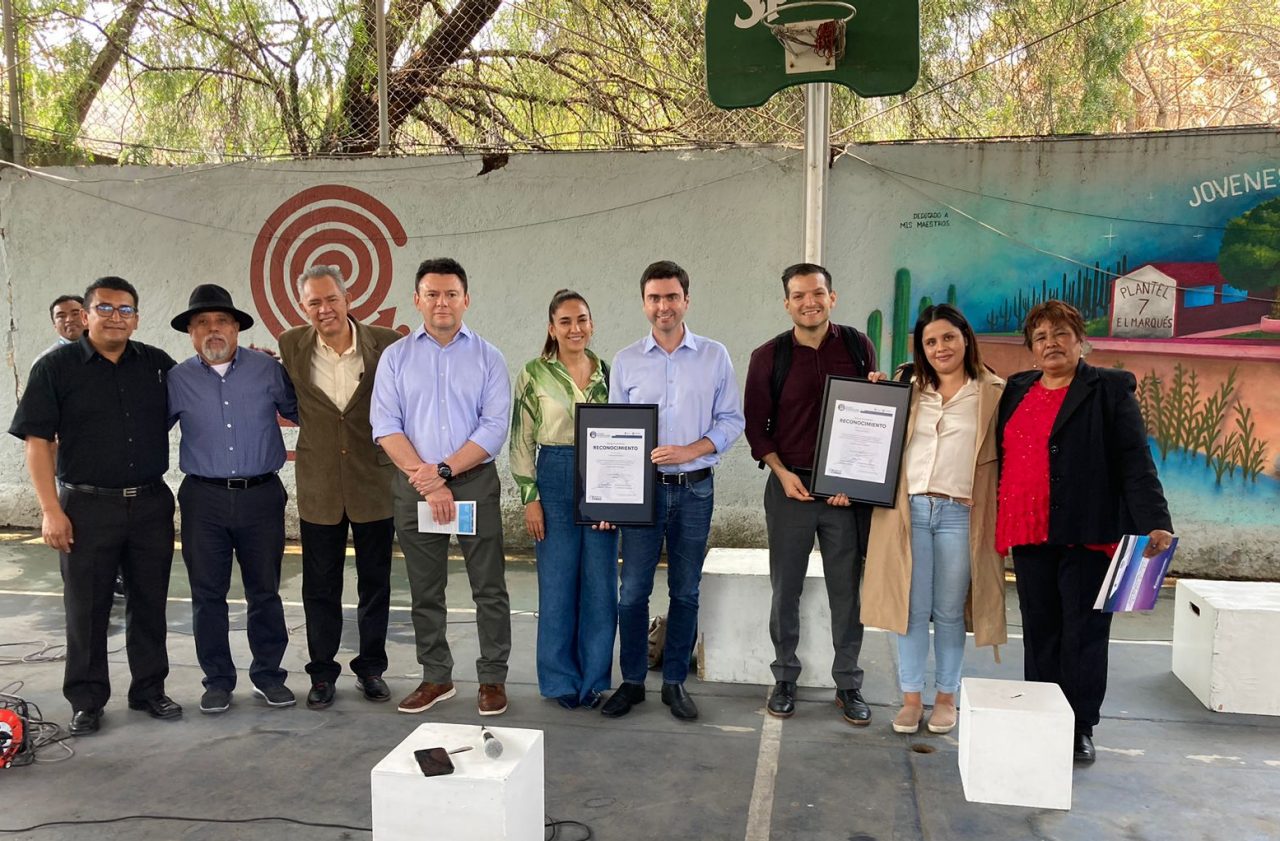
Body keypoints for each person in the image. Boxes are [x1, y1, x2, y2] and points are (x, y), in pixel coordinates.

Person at [995, 299, 1173, 764]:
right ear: (1031, 348)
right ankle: (1042, 715)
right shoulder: (1017, 388)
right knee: (1040, 630)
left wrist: (1155, 521)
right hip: (1030, 531)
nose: (1051, 343)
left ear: (1080, 340)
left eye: (1061, 334)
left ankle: (1078, 726)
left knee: (1083, 632)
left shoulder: (1108, 388)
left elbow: (1135, 460)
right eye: (1040, 337)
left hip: (1088, 531)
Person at [9, 276, 181, 734]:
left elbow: (203, 389)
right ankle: (87, 700)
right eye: (105, 308)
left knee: (149, 603)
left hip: (150, 504)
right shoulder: (55, 368)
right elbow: (37, 442)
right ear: (86, 316)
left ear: (136, 319)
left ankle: (149, 690)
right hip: (85, 506)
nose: (115, 317)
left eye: (125, 310)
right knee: (86, 608)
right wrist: (50, 510)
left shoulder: (157, 365)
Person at [600, 260, 744, 721]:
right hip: (642, 494)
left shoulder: (715, 356)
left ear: (686, 300)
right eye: (654, 298)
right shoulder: (626, 361)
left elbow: (731, 420)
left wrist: (691, 450)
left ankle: (676, 681)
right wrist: (609, 492)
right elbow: (614, 433)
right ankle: (633, 681)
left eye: (671, 297)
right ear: (644, 303)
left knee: (685, 591)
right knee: (632, 592)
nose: (663, 306)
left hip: (695, 490)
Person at [371, 257, 514, 717]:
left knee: (488, 587)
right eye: (432, 294)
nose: (442, 302)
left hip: (474, 484)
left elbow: (494, 427)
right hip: (415, 487)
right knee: (425, 589)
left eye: (451, 294)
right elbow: (385, 425)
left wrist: (445, 473)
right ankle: (436, 676)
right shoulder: (396, 357)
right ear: (417, 300)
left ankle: (492, 677)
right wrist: (429, 481)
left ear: (466, 299)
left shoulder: (489, 357)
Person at [862, 304, 1006, 735]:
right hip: (910, 511)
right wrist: (874, 396)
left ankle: (946, 697)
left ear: (965, 338)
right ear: (921, 350)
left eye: (948, 337)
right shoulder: (908, 389)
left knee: (948, 611)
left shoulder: (993, 392)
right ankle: (910, 699)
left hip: (961, 514)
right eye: (930, 341)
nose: (940, 347)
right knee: (910, 609)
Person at [742, 263, 876, 725]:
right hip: (790, 488)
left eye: (817, 293)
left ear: (831, 297)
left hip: (844, 496)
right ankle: (784, 677)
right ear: (787, 303)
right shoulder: (768, 357)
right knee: (786, 589)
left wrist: (855, 482)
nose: (809, 302)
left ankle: (848, 683)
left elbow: (871, 419)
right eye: (798, 295)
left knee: (847, 592)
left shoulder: (858, 346)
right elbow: (756, 428)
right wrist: (781, 473)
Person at [167, 284, 300, 714]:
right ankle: (218, 681)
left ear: (236, 328)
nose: (213, 329)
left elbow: (303, 410)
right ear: (190, 332)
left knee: (265, 592)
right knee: (208, 595)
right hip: (203, 499)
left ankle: (268, 676)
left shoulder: (267, 370)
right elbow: (147, 430)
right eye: (202, 322)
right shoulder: (177, 380)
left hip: (261, 495)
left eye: (221, 321)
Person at [278, 266, 403, 709]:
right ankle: (322, 674)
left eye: (331, 299)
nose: (324, 309)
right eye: (314, 302)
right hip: (320, 485)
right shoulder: (291, 345)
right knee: (319, 587)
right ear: (303, 307)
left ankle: (371, 669)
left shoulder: (386, 343)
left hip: (374, 481)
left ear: (347, 299)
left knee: (375, 584)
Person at [510, 289, 618, 710]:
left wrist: (617, 500)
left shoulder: (608, 373)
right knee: (557, 585)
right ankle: (559, 681)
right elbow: (521, 439)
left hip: (602, 475)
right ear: (552, 329)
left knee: (600, 585)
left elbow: (623, 435)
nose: (576, 328)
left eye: (582, 319)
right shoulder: (533, 373)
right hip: (554, 476)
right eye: (566, 321)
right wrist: (530, 497)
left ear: (592, 324)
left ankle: (593, 679)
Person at [34, 295, 86, 364]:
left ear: (87, 317)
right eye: (61, 316)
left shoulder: (100, 351)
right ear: (54, 325)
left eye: (75, 314)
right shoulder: (45, 361)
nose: (69, 320)